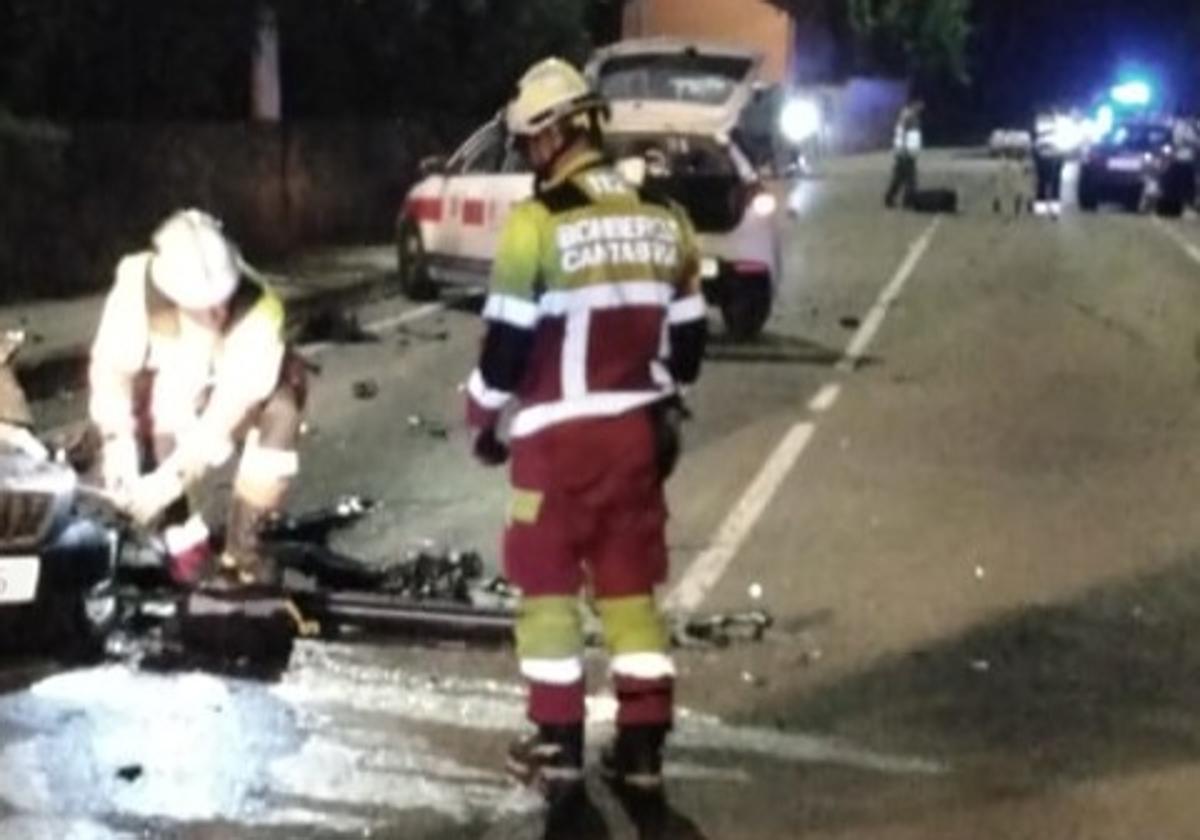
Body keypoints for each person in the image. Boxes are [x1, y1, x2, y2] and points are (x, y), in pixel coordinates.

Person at [464, 57, 707, 814]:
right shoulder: (666, 216)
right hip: (637, 442)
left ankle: (560, 754)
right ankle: (640, 754)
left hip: (553, 452)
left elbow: (503, 353)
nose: (531, 156)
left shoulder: (536, 225)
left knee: (547, 601)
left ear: (555, 133)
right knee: (631, 597)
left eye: (532, 142)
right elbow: (690, 350)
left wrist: (479, 416)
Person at [88, 208, 306, 587]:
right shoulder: (137, 290)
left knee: (283, 413)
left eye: (224, 299)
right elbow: (111, 375)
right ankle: (184, 545)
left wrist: (169, 480)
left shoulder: (259, 308)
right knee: (155, 423)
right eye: (206, 306)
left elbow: (225, 416)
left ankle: (244, 549)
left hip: (231, 393)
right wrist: (117, 448)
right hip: (172, 385)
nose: (220, 312)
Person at [884, 98, 923, 208]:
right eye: (920, 104)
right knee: (909, 178)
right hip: (905, 153)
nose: (921, 107)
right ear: (914, 104)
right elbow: (903, 135)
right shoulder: (908, 116)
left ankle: (891, 198)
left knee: (900, 177)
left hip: (906, 152)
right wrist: (904, 151)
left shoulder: (909, 116)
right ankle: (906, 200)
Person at [1033, 110, 1065, 219]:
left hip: (1048, 156)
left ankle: (1044, 209)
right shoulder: (1054, 126)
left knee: (1046, 183)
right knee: (1051, 183)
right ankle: (1047, 209)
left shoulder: (1042, 125)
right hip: (1050, 156)